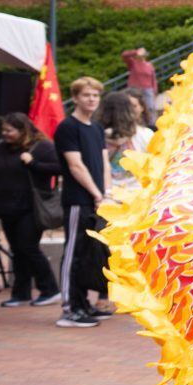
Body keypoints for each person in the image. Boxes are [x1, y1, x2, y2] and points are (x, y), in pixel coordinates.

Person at [0, 113, 62, 308]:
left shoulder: (42, 146)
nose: (5, 134)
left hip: (30, 207)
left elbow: (59, 168)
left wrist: (33, 163)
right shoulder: (2, 147)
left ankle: (50, 289)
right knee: (17, 250)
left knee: (28, 247)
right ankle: (20, 292)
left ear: (23, 130)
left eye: (10, 131)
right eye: (3, 131)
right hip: (6, 206)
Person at [53, 77, 111, 329]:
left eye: (95, 95)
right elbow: (75, 165)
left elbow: (104, 162)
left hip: (97, 200)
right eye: (86, 95)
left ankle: (83, 303)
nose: (91, 100)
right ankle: (69, 307)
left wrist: (106, 193)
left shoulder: (96, 129)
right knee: (73, 253)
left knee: (90, 253)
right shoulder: (68, 127)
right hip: (79, 199)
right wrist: (96, 194)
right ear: (75, 98)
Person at [122, 46, 161, 124]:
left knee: (150, 107)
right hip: (134, 89)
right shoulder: (133, 63)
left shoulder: (149, 65)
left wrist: (155, 90)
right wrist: (136, 52)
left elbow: (153, 78)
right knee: (133, 107)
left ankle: (151, 124)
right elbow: (124, 55)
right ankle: (133, 123)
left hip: (148, 89)